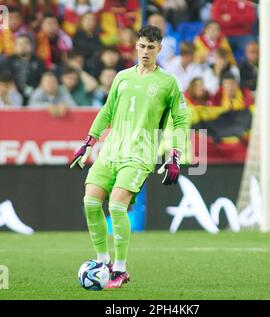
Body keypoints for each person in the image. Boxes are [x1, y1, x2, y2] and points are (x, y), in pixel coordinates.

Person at [69, 25, 189, 288]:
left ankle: (120, 270)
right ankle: (103, 262)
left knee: (115, 206)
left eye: (151, 47)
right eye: (142, 45)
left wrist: (174, 155)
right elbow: (107, 110)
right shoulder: (122, 77)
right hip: (112, 149)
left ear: (159, 49)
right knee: (90, 202)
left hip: (140, 153)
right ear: (136, 45)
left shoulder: (168, 83)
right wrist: (89, 141)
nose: (145, 51)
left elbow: (180, 121)